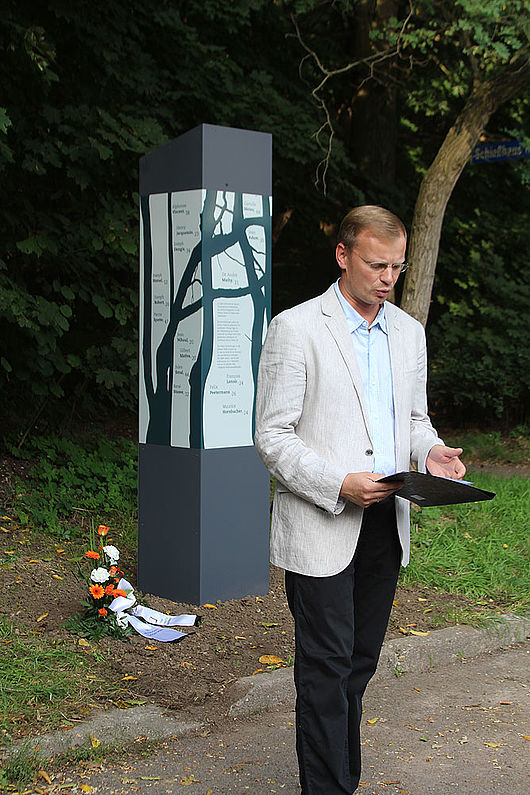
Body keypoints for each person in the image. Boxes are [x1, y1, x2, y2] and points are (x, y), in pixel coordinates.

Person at [254, 205, 465, 794]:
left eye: (397, 266)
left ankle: (340, 773)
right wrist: (335, 483)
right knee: (326, 665)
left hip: (386, 521)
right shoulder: (296, 328)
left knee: (360, 661)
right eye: (377, 264)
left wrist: (433, 453)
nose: (387, 277)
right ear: (343, 255)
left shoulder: (408, 332)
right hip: (323, 520)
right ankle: (329, 787)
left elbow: (414, 420)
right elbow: (270, 434)